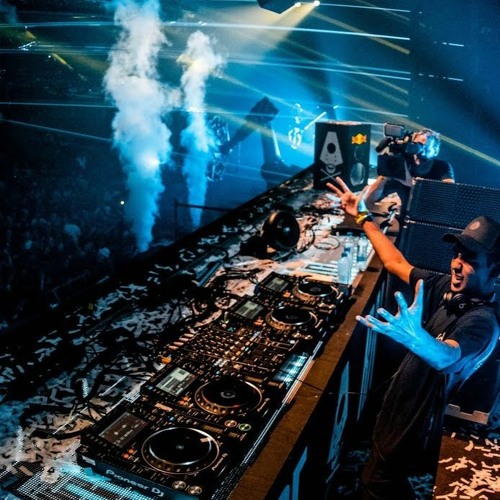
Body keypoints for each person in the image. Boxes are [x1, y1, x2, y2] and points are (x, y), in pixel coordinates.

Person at [327, 177, 500, 499]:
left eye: (470, 260)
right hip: (397, 412)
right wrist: (362, 216)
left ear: (495, 271)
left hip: (411, 429)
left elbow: (449, 357)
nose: (457, 265)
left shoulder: (482, 322)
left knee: (376, 484)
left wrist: (416, 338)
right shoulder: (447, 290)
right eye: (456, 254)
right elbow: (395, 263)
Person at [366, 128, 454, 214]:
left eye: (426, 146)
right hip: (404, 219)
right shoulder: (401, 165)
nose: (420, 150)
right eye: (417, 144)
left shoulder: (442, 167)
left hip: (429, 218)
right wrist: (385, 174)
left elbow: (450, 194)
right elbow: (368, 201)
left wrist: (415, 185)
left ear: (435, 151)